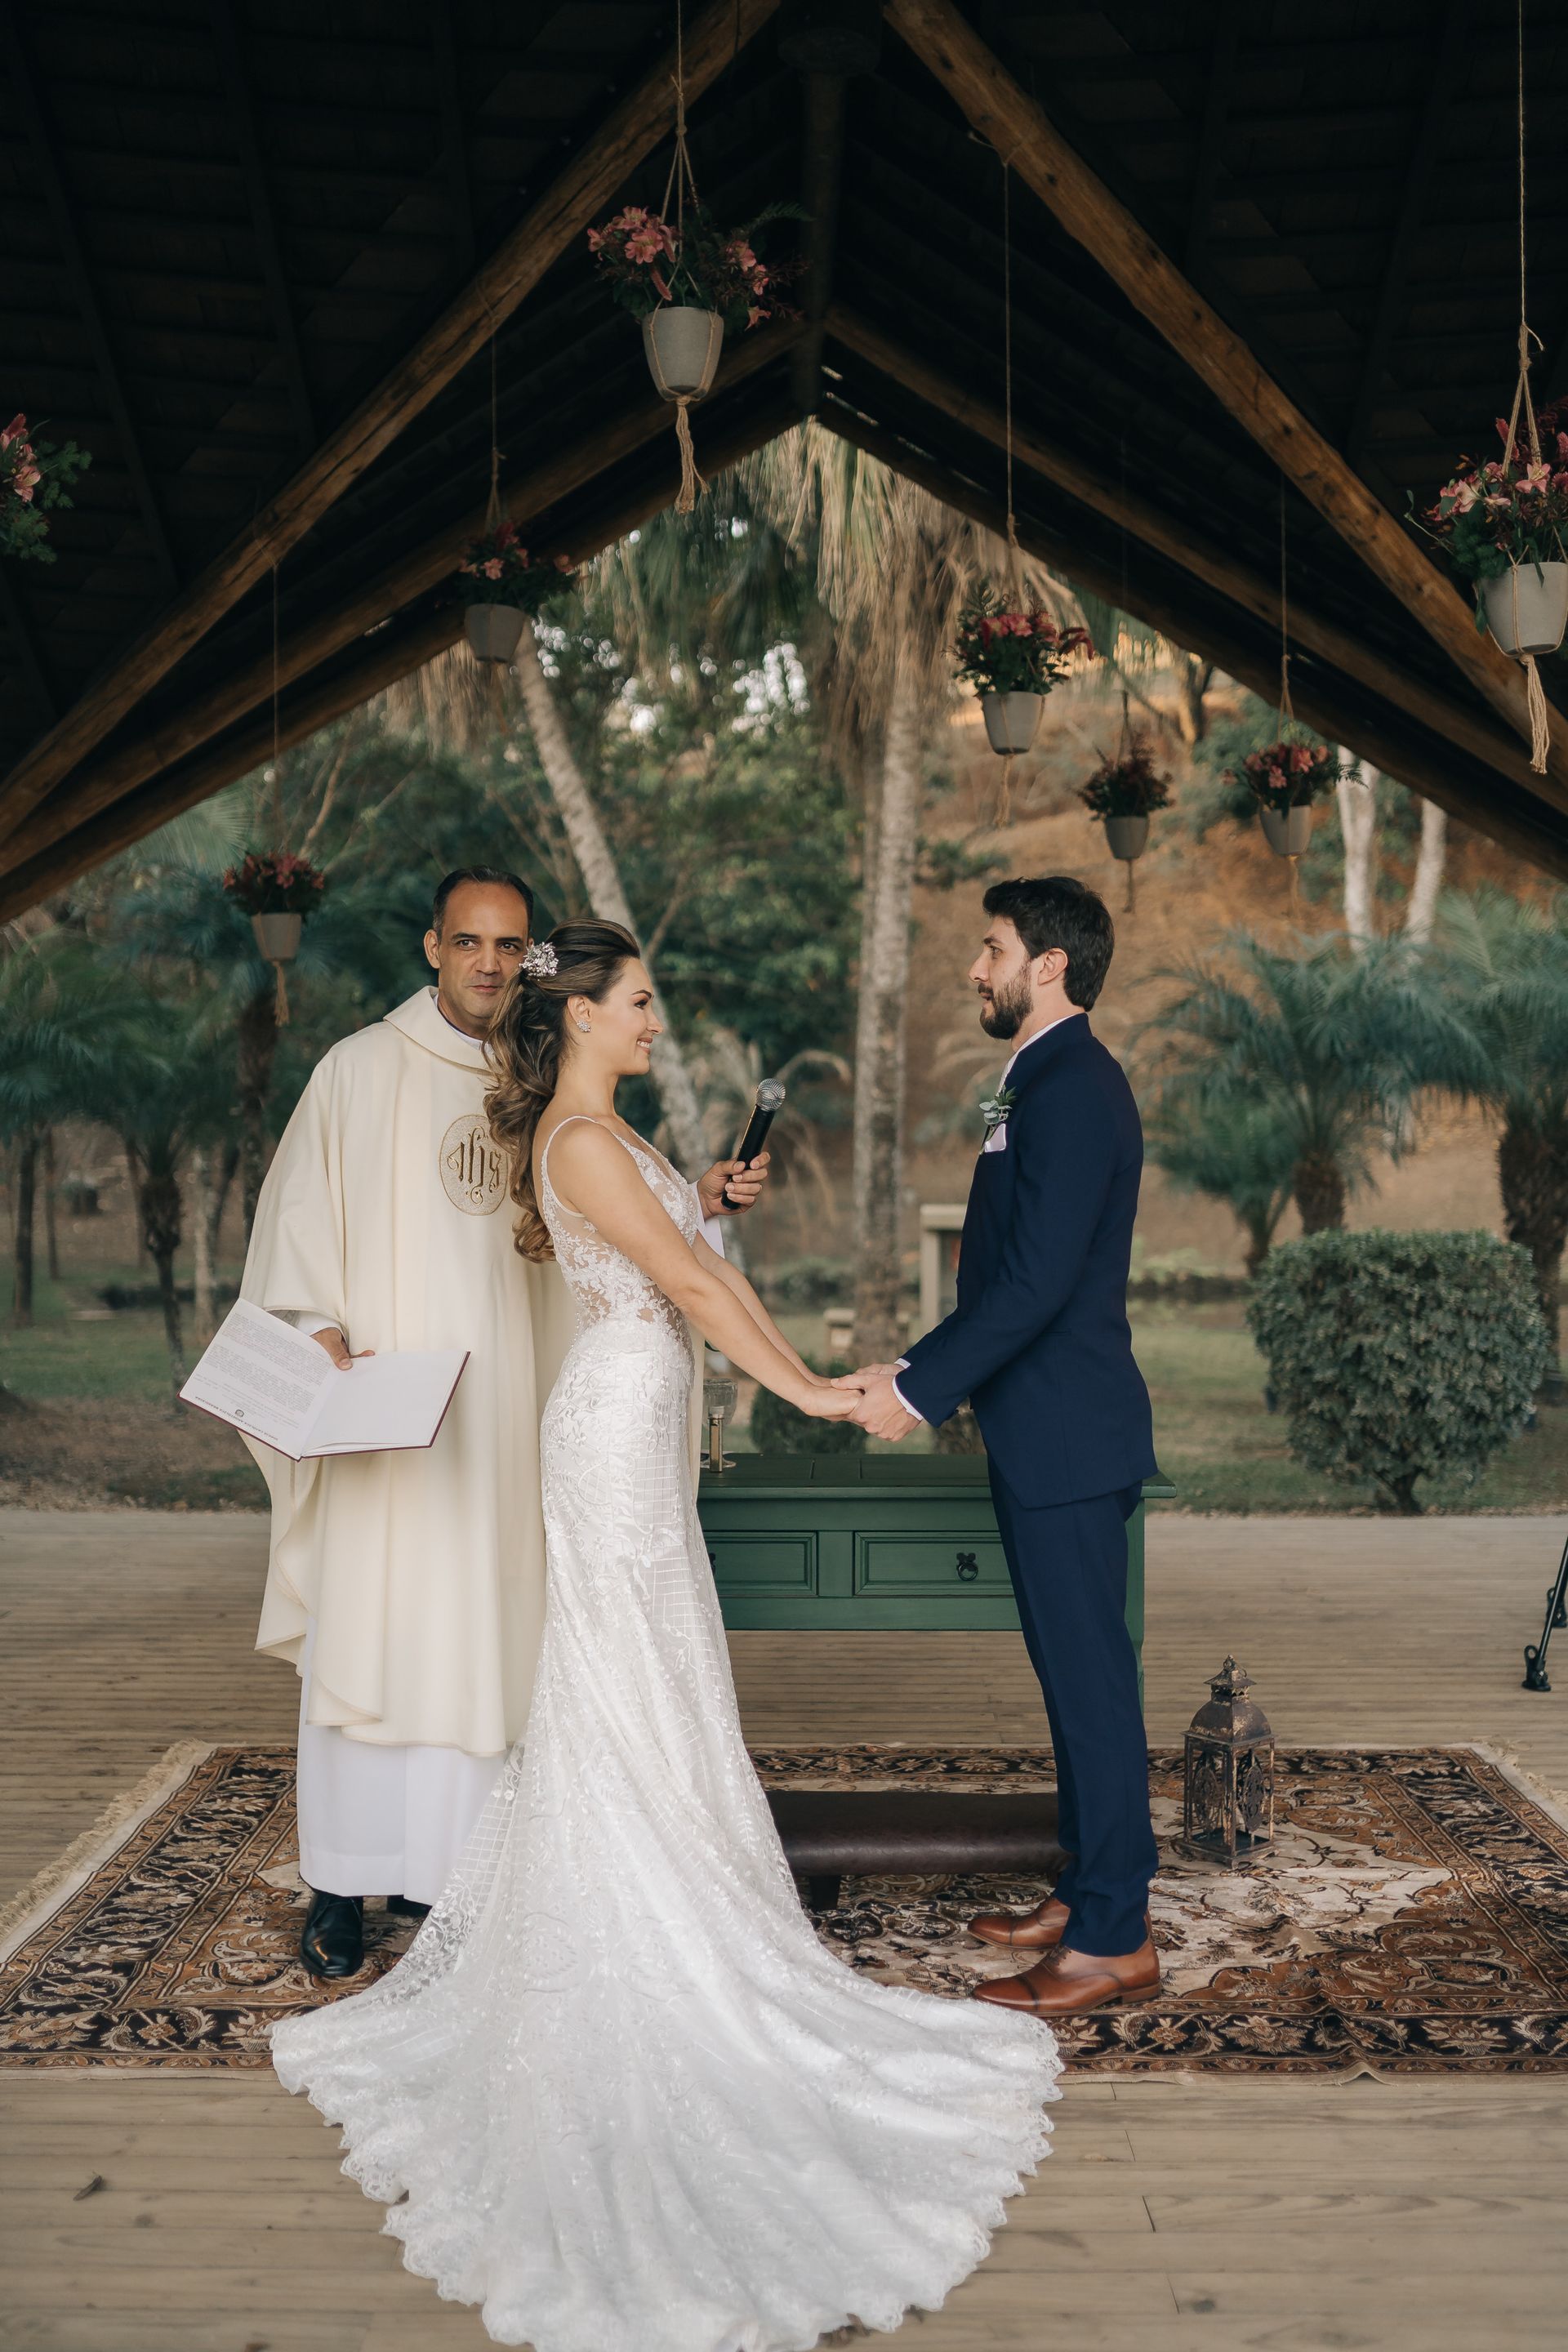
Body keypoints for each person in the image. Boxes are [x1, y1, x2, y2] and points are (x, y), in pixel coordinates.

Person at [270, 920, 1061, 2352]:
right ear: (577, 1015)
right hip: (615, 1423)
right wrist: (819, 1392)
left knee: (656, 1671)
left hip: (636, 1420)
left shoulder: (608, 1138)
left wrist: (699, 1197)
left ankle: (682, 1886)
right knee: (623, 1675)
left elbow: (686, 1256)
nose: (653, 1021)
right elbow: (689, 1292)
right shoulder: (576, 1145)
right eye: (637, 1003)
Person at [242, 870, 768, 1980]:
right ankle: (341, 1882)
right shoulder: (357, 1072)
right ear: (432, 945)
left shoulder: (539, 1081)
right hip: (391, 1425)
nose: (486, 962)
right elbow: (292, 1236)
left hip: (518, 1415)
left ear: (532, 961)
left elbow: (599, 1230)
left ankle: (459, 1877)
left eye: (509, 945)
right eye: (467, 941)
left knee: (494, 1640)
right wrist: (318, 1327)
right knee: (374, 1629)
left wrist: (696, 1206)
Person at [842, 876, 1160, 2017]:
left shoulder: (1075, 1089)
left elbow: (1035, 1286)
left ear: (1051, 966)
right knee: (1072, 1683)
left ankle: (1116, 1938)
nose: (975, 968)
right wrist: (910, 1364)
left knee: (1092, 1692)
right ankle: (1088, 1890)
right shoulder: (1022, 1084)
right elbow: (995, 1272)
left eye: (992, 949)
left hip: (1072, 1436)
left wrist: (919, 1393)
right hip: (1043, 1433)